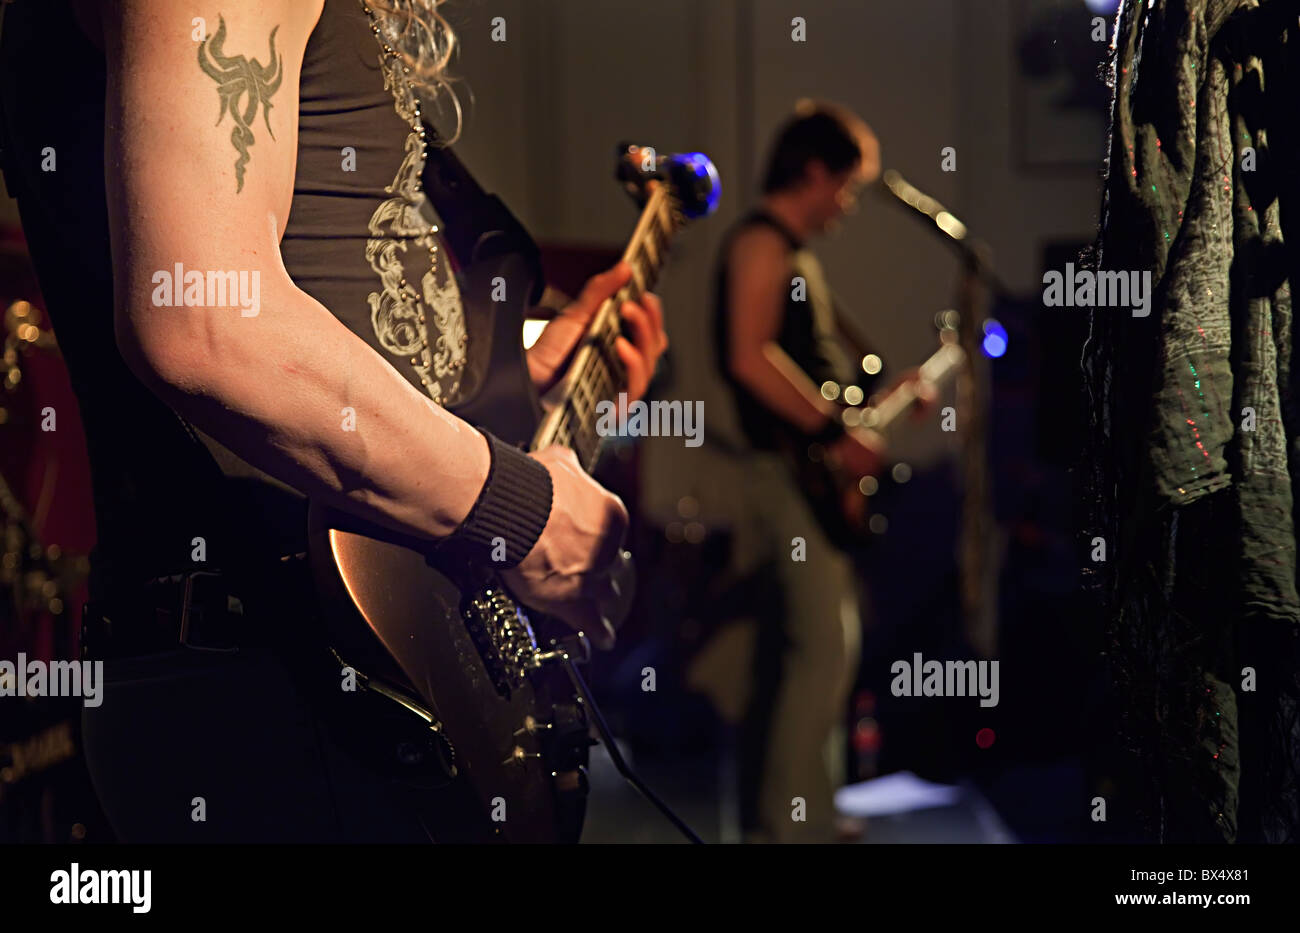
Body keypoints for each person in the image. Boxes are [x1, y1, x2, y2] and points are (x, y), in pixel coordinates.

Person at [0, 0, 666, 841]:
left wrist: (518, 388)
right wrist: (523, 513)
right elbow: (208, 320)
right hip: (291, 677)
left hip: (336, 668)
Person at [702, 100, 931, 843]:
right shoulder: (763, 245)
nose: (849, 204)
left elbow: (809, 376)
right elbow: (749, 356)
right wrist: (836, 430)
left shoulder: (790, 252)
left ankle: (800, 812)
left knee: (805, 655)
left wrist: (878, 406)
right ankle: (788, 825)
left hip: (797, 478)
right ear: (813, 170)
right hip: (782, 481)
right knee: (818, 655)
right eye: (848, 185)